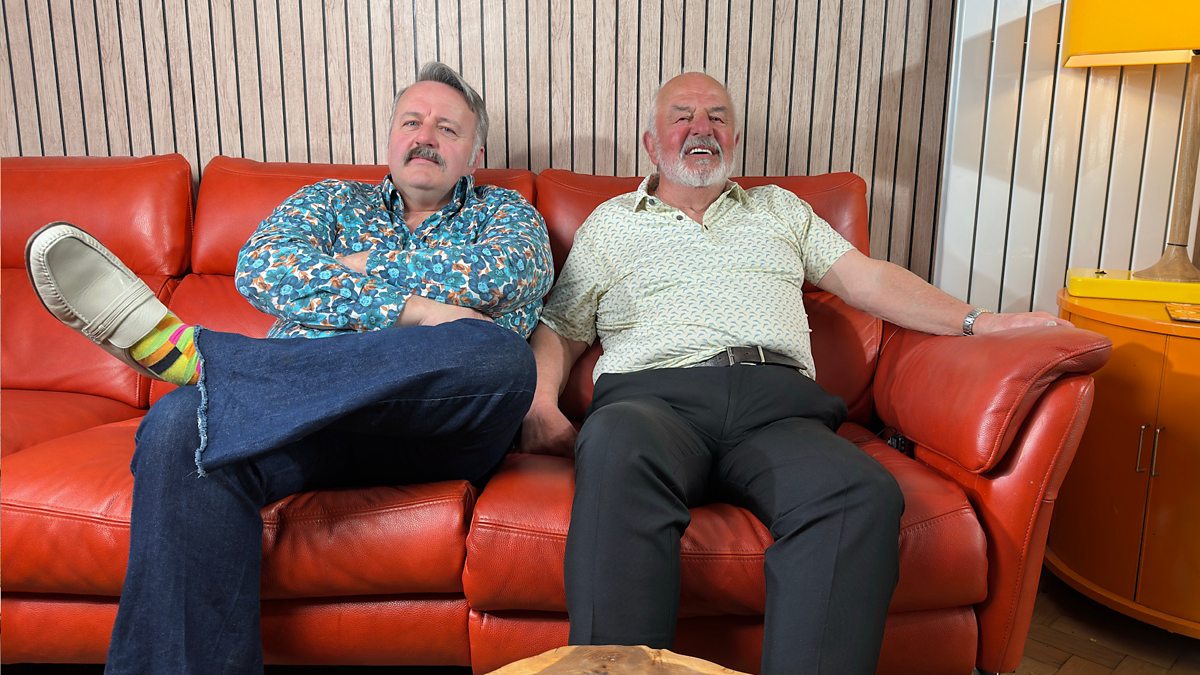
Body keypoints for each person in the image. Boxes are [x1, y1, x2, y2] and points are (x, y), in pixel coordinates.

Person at [519, 72, 1069, 674]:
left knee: (859, 493)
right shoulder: (611, 223)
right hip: (652, 401)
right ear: (652, 143)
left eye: (717, 117)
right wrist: (541, 405)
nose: (702, 129)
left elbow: (867, 280)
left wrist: (979, 322)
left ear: (735, 138)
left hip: (777, 408)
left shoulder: (779, 209)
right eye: (682, 116)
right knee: (615, 447)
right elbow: (562, 327)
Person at [24, 62, 553, 674]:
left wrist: (358, 266)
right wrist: (418, 310)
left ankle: (214, 362)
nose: (425, 137)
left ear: (475, 155)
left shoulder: (505, 212)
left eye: (448, 129)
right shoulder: (330, 199)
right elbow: (264, 266)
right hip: (301, 425)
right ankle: (228, 374)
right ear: (390, 136)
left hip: (436, 429)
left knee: (497, 355)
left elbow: (503, 274)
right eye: (412, 122)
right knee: (178, 427)